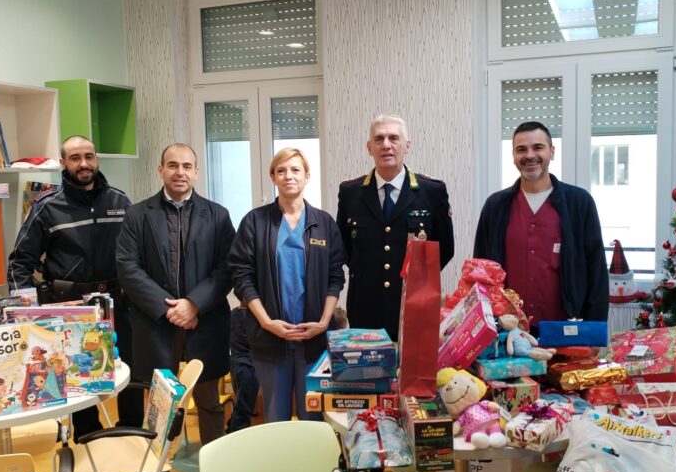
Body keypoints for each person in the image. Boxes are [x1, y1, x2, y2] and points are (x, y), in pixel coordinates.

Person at [116, 143, 235, 472]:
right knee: (161, 409)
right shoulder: (137, 215)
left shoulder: (218, 216)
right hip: (156, 325)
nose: (180, 171)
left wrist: (194, 303)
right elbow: (127, 268)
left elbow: (227, 268)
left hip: (205, 323)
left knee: (209, 405)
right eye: (172, 165)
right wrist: (170, 310)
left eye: (187, 166)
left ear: (196, 172)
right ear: (160, 170)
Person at [7, 135, 143, 438]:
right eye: (75, 158)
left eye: (89, 156)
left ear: (97, 159)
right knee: (80, 377)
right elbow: (19, 262)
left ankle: (132, 433)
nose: (84, 164)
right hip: (71, 307)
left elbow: (138, 252)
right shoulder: (47, 207)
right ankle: (87, 437)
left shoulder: (120, 201)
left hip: (118, 302)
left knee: (131, 370)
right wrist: (26, 311)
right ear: (63, 163)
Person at [229, 148, 345, 423]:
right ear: (273, 177)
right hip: (270, 339)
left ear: (307, 176)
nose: (288, 176)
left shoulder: (323, 223)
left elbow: (335, 276)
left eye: (295, 170)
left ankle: (315, 468)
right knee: (276, 419)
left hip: (314, 339)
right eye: (281, 170)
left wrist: (323, 322)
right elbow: (242, 277)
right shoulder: (255, 222)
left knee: (314, 418)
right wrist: (268, 323)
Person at [473, 121, 609, 329]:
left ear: (551, 152)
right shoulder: (496, 206)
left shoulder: (579, 203)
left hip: (567, 331)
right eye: (521, 149)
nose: (529, 155)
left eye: (538, 147)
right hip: (508, 332)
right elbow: (480, 273)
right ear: (513, 157)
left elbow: (596, 273)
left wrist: (593, 332)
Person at [336, 115, 455, 342]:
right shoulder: (350, 192)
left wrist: (417, 281)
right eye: (379, 139)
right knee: (368, 375)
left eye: (394, 138)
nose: (386, 145)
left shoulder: (431, 191)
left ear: (407, 145)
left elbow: (445, 248)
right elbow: (344, 248)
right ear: (369, 147)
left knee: (413, 376)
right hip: (365, 308)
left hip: (416, 308)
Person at [226, 295, 259, 433]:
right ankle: (237, 429)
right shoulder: (252, 318)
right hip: (246, 366)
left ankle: (234, 426)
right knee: (244, 404)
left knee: (242, 400)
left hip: (236, 364)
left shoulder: (232, 314)